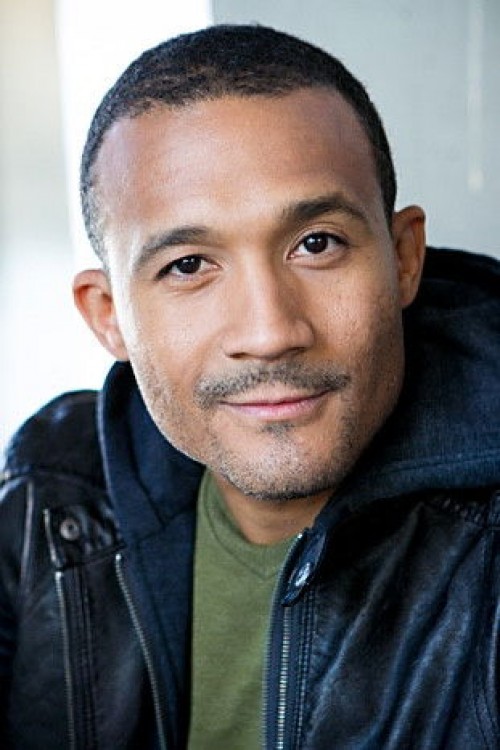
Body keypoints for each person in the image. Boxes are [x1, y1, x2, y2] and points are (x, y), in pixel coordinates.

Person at [1, 22, 499, 750]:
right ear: (109, 317)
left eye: (316, 244)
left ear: (403, 260)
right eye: (188, 266)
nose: (269, 331)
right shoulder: (55, 489)